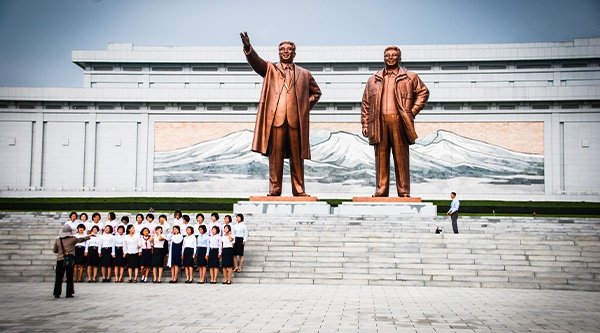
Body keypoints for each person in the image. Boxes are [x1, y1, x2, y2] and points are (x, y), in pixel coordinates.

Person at [240, 32, 322, 196]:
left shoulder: (304, 74)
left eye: (289, 49)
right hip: (276, 119)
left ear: (294, 53)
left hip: (295, 121)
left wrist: (304, 108)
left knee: (297, 157)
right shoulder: (271, 69)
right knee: (275, 156)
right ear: (279, 52)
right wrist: (248, 48)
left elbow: (317, 93)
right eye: (282, 49)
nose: (285, 52)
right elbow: (256, 63)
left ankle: (299, 189)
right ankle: (275, 188)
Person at [361, 46, 429, 197]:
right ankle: (381, 190)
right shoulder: (373, 79)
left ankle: (404, 191)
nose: (390, 58)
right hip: (379, 123)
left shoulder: (410, 77)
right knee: (381, 158)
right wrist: (365, 124)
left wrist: (412, 111)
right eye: (387, 55)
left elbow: (423, 92)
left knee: (401, 157)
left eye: (393, 55)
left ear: (399, 58)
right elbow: (366, 103)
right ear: (383, 58)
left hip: (400, 122)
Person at [53, 224, 95, 298]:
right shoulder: (73, 239)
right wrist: (89, 236)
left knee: (58, 277)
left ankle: (57, 293)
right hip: (69, 259)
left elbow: (55, 250)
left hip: (60, 260)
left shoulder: (58, 240)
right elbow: (81, 239)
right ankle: (69, 293)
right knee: (69, 277)